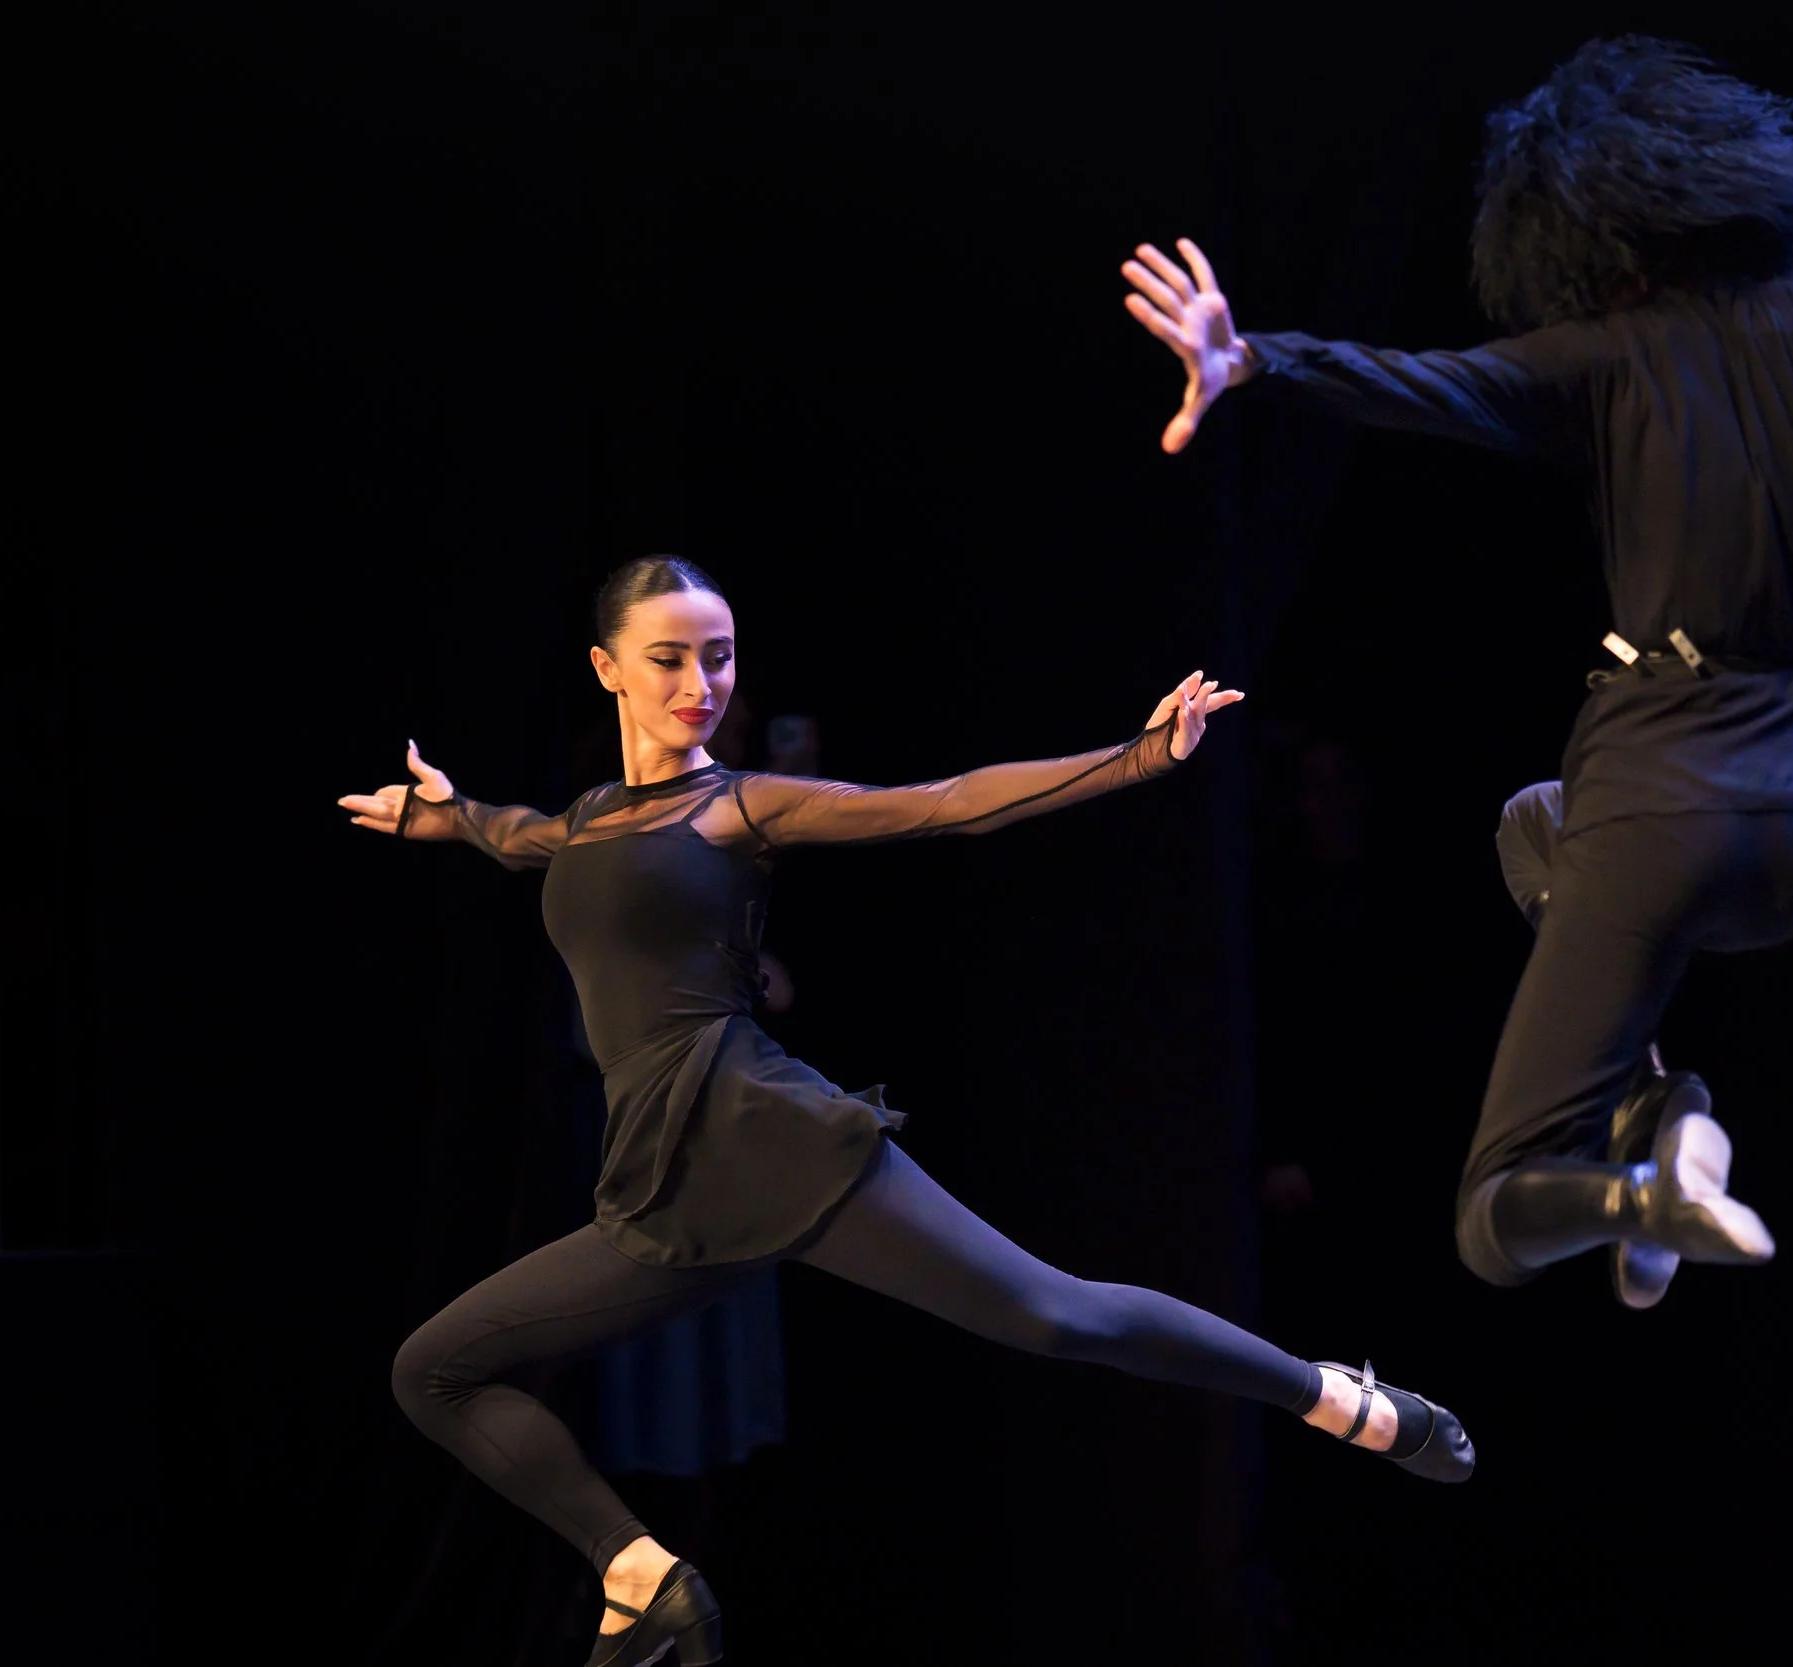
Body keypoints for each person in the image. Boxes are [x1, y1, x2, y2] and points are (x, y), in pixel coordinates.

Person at [345, 555, 1472, 1667]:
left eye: (719, 657)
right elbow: (533, 837)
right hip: (663, 1179)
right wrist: (454, 818)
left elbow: (941, 806)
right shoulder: (593, 817)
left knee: (1056, 1314)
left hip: (763, 1135)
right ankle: (640, 1573)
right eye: (669, 659)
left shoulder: (736, 807)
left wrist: (1136, 757)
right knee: (434, 1369)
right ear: (608, 668)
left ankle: (1336, 1397)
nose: (700, 683)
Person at [1121, 34, 1793, 1300]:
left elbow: (1419, 381)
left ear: (1582, 237)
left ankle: (1643, 1190)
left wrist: (1253, 358)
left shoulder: (1599, 354)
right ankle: (1658, 1111)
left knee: (1492, 1217)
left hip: (1662, 804)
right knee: (1534, 825)